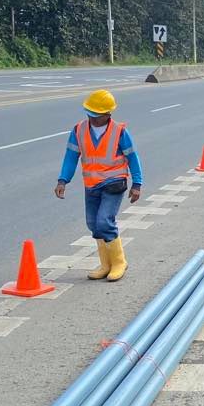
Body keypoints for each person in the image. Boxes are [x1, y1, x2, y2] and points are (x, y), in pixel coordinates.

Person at [54, 89, 143, 282]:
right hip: (91, 184)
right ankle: (106, 265)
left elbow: (132, 157)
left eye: (97, 115)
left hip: (114, 182)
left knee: (104, 221)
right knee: (93, 225)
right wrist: (63, 180)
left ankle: (119, 262)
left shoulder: (120, 131)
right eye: (90, 114)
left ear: (108, 114)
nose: (92, 118)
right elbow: (71, 157)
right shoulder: (78, 130)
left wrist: (137, 183)